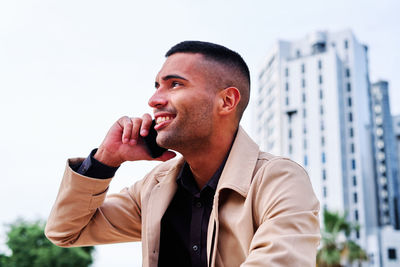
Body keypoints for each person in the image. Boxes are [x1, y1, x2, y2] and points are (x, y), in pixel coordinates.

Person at [45, 41, 320, 267]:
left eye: (175, 84)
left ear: (226, 101)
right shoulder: (155, 187)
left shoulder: (279, 179)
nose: (154, 101)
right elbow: (66, 231)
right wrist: (106, 159)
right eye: (157, 86)